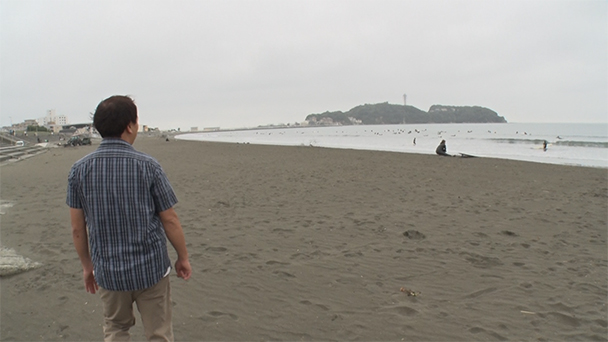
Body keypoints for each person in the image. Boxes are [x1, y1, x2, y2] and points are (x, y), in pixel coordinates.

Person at [67, 95, 192, 342]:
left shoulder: (79, 170)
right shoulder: (148, 166)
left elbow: (77, 229)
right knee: (159, 333)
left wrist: (87, 266)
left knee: (116, 330)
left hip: (109, 271)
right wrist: (183, 257)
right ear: (129, 125)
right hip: (151, 269)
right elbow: (170, 219)